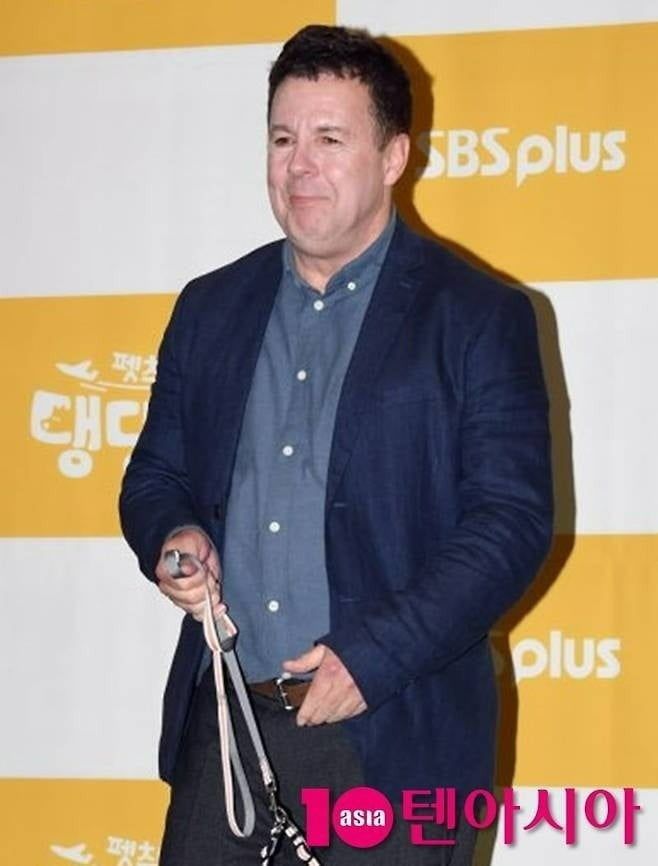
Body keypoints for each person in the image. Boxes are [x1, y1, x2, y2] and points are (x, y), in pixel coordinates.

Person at [120, 24, 553, 866]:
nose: (299, 166)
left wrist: (373, 656)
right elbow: (157, 475)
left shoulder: (477, 316)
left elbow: (510, 523)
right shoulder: (209, 307)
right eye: (283, 139)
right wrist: (175, 539)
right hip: (228, 730)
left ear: (393, 157)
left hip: (393, 734)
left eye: (329, 139)